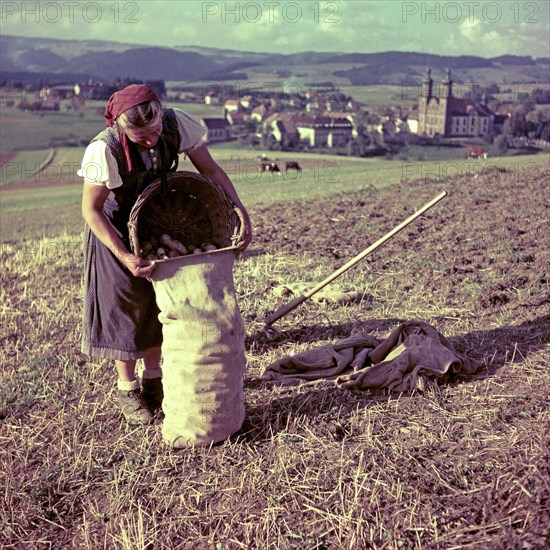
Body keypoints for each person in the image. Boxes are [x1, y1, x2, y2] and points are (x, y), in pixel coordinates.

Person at [78, 84, 252, 425]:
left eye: (155, 130)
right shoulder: (105, 149)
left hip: (155, 218)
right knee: (126, 306)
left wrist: (239, 210)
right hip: (113, 228)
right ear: (120, 127)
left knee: (162, 301)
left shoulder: (176, 124)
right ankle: (126, 388)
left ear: (160, 115)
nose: (151, 139)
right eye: (139, 135)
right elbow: (91, 210)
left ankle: (154, 378)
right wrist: (125, 255)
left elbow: (211, 171)